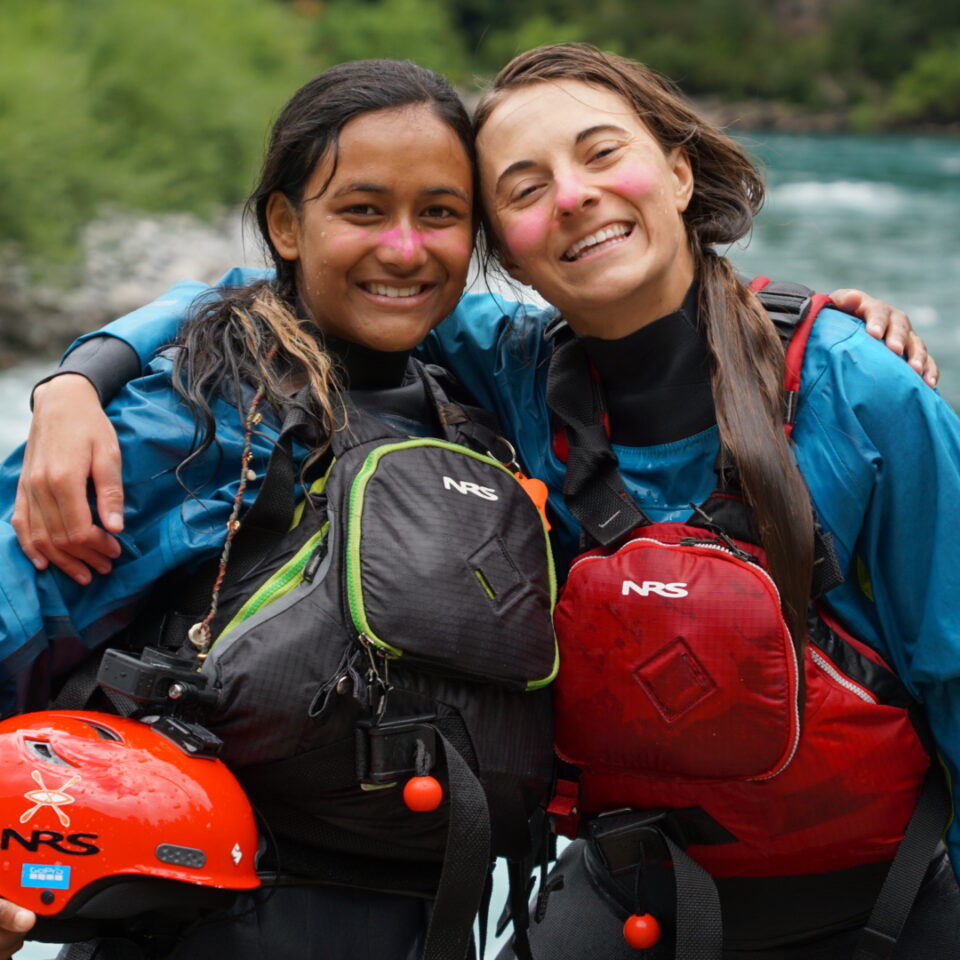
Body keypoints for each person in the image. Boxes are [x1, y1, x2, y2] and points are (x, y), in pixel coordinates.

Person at [3, 45, 952, 959]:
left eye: (601, 154)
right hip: (613, 904)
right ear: (511, 252)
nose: (572, 198)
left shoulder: (845, 384)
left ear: (679, 171)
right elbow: (286, 279)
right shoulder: (494, 375)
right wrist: (86, 376)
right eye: (525, 190)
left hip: (877, 907)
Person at [0, 58, 561, 960]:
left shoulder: (486, 416)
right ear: (286, 224)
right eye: (363, 210)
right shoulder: (192, 417)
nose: (404, 249)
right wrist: (77, 381)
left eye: (440, 214)